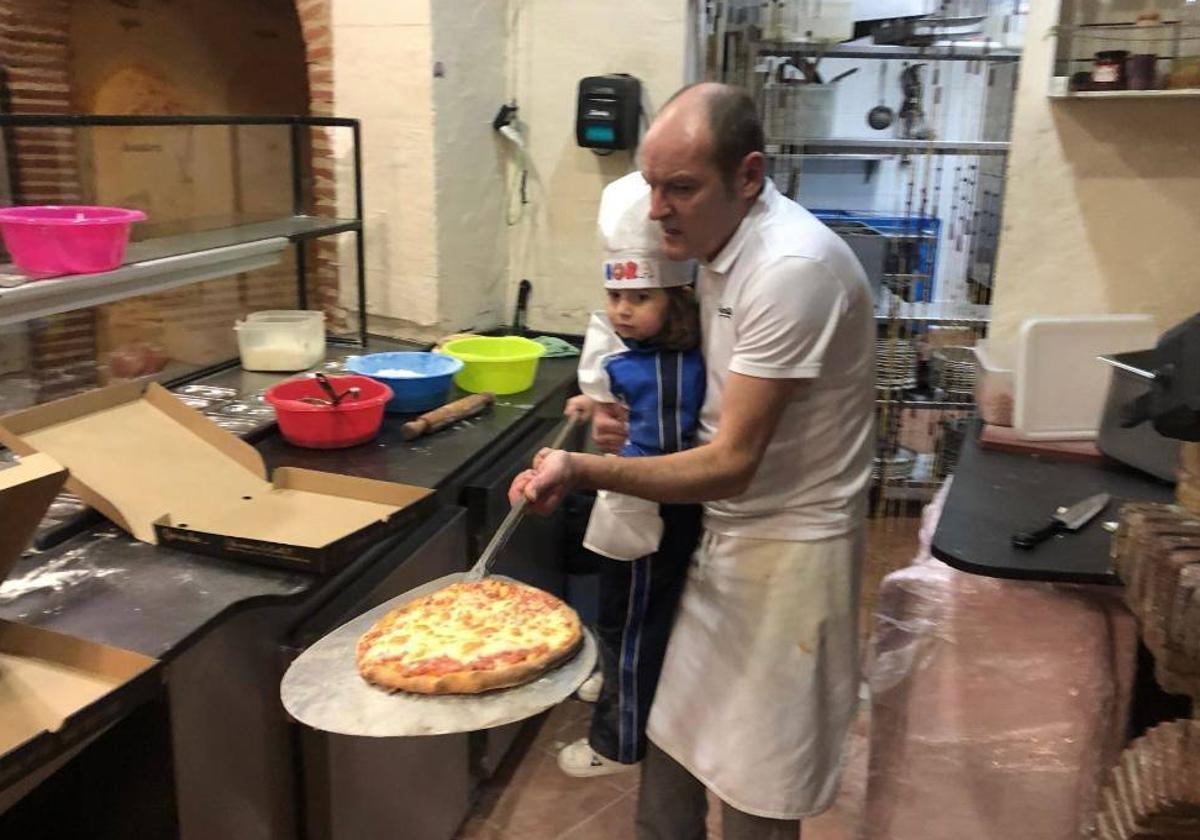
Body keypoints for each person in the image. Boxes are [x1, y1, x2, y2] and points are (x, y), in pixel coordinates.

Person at [509, 81, 874, 839]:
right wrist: (617, 414)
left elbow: (733, 460)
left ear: (748, 176)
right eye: (651, 184)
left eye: (681, 187)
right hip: (721, 538)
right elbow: (684, 374)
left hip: (791, 558)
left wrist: (585, 471)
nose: (656, 209)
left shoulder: (791, 269)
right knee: (675, 744)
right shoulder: (711, 246)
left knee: (757, 785)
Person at [557, 170, 706, 778]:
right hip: (632, 507)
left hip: (652, 514)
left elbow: (658, 453)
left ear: (675, 302)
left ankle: (616, 744)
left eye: (639, 299)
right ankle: (613, 676)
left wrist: (592, 463)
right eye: (615, 297)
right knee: (618, 610)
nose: (621, 310)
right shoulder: (643, 355)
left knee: (638, 622)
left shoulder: (673, 367)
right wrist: (592, 404)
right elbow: (625, 400)